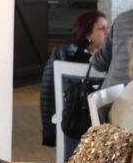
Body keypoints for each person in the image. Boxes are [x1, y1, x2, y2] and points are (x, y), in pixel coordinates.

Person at [38, 9, 108, 146]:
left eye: (107, 27)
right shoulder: (65, 55)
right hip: (74, 119)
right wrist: (49, 131)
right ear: (87, 33)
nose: (107, 32)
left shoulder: (109, 58)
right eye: (101, 28)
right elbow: (47, 92)